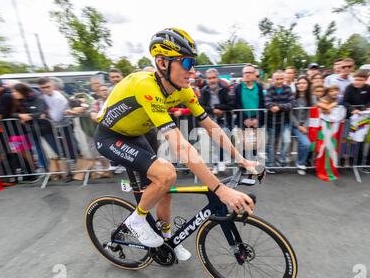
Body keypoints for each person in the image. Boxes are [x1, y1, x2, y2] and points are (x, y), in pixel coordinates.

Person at [94, 28, 257, 260]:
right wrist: (220, 190)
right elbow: (181, 147)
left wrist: (241, 159)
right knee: (167, 174)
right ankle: (136, 220)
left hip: (140, 133)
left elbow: (210, 126)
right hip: (111, 137)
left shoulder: (183, 90)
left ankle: (166, 239)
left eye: (194, 63)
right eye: (186, 62)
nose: (192, 70)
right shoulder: (146, 86)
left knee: (165, 192)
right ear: (162, 63)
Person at [200, 68, 234, 174]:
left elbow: (231, 105)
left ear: (217, 78)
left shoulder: (225, 89)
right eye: (209, 78)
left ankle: (220, 161)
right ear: (207, 79)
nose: (212, 80)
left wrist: (219, 108)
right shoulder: (204, 90)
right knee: (214, 143)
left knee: (221, 141)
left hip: (224, 120)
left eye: (214, 77)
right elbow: (201, 106)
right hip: (210, 120)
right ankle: (217, 163)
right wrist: (213, 109)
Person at [343, 70, 370, 171]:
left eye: (361, 80)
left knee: (355, 140)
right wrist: (352, 110)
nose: (358, 82)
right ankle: (343, 158)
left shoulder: (368, 88)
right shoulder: (349, 87)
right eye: (356, 79)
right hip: (349, 117)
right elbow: (345, 101)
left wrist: (367, 108)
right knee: (346, 138)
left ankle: (353, 158)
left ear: (365, 80)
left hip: (362, 118)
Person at [265, 70, 296, 173]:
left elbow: (292, 103)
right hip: (272, 122)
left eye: (281, 79)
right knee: (272, 144)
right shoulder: (270, 89)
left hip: (285, 121)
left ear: (284, 79)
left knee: (287, 141)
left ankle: (281, 161)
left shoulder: (288, 89)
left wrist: (278, 107)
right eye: (277, 79)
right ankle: (270, 164)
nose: (279, 81)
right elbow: (267, 103)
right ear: (273, 80)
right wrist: (272, 106)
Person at [291, 76, 314, 175]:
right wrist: (298, 126)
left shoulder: (311, 98)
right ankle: (301, 163)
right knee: (306, 143)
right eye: (299, 83)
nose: (301, 85)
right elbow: (290, 114)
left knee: (306, 144)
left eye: (304, 83)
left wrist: (306, 126)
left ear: (308, 85)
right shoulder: (292, 97)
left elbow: (310, 113)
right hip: (295, 125)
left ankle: (301, 162)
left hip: (306, 126)